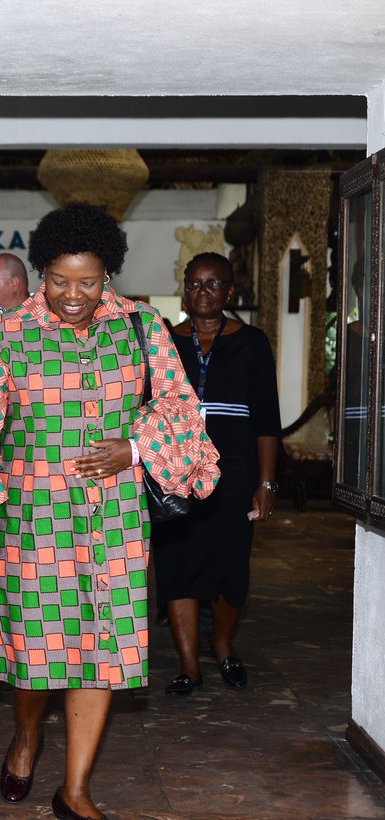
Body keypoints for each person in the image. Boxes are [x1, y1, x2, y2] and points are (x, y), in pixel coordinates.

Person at [0, 203, 219, 820]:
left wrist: (134, 448)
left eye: (88, 281)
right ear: (41, 272)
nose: (73, 295)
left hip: (113, 518)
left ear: (107, 273)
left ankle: (75, 789)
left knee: (100, 649)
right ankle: (27, 736)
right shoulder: (7, 334)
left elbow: (184, 414)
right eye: (60, 280)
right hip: (30, 517)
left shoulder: (142, 326)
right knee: (37, 654)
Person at [152, 252, 281, 696]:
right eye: (194, 284)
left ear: (229, 292)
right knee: (178, 566)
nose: (202, 293)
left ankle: (223, 646)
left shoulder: (253, 342)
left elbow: (267, 419)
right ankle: (190, 665)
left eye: (213, 284)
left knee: (230, 567)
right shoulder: (165, 342)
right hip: (176, 474)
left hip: (235, 473)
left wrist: (265, 484)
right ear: (184, 288)